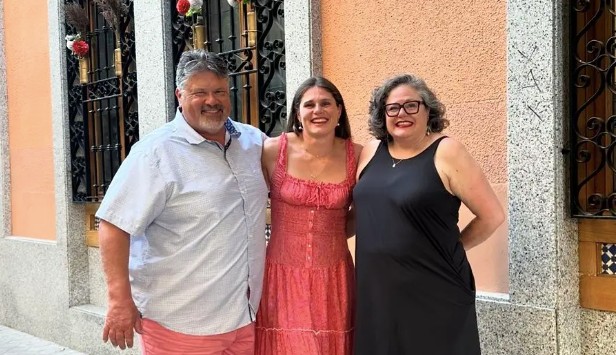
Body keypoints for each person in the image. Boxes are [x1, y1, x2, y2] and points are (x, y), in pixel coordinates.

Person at [95, 49, 268, 354]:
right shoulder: (156, 153)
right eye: (199, 92)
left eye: (219, 91)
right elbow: (113, 224)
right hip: (180, 324)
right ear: (180, 95)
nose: (211, 100)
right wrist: (119, 300)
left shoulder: (252, 142)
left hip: (245, 318)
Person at [352, 74, 505, 355]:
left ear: (428, 110)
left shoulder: (447, 151)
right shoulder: (371, 151)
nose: (402, 114)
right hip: (376, 290)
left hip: (434, 287)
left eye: (412, 105)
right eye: (393, 107)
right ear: (382, 114)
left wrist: (454, 247)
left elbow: (492, 215)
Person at [255, 77, 362, 355]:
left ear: (339, 111)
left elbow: (361, 214)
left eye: (326, 103)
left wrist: (329, 233)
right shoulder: (271, 150)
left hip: (333, 279)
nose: (318, 110)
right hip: (281, 275)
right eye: (309, 104)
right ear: (297, 113)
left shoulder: (358, 156)